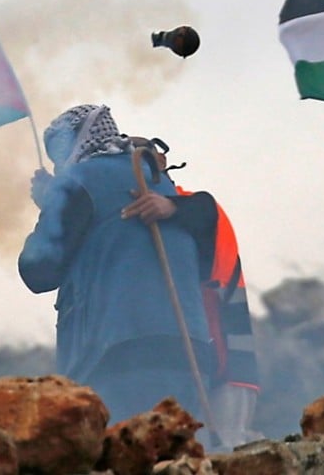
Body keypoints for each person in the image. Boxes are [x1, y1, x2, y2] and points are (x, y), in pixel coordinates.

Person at [17, 104, 218, 424]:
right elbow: (204, 264)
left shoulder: (81, 181)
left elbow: (38, 270)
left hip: (119, 360)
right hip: (190, 356)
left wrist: (51, 204)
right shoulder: (160, 182)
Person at [128, 135, 262, 448]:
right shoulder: (152, 214)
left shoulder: (198, 206)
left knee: (225, 453)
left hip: (228, 363)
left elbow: (202, 211)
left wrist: (171, 206)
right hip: (192, 362)